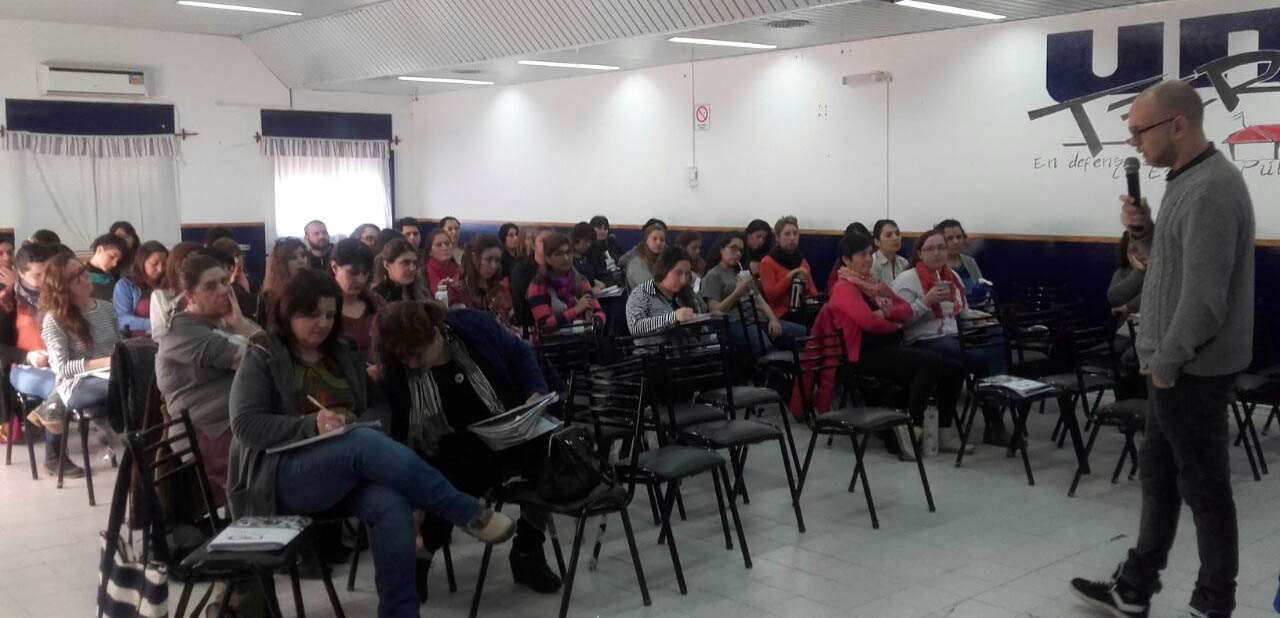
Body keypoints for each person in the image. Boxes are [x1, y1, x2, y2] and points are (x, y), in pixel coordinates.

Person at [227, 270, 515, 618]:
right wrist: (311, 424)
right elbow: (245, 425)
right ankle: (464, 510)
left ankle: (400, 612)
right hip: (282, 476)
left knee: (389, 502)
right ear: (288, 313)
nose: (322, 323)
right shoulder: (263, 355)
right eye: (311, 314)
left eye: (330, 315)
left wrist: (359, 423)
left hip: (346, 470)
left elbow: (379, 405)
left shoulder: (342, 352)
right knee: (360, 442)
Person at [1069, 79, 1255, 618]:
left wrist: (1168, 364)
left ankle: (1212, 603)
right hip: (1170, 368)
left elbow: (1204, 300)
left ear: (1179, 124)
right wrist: (1145, 232)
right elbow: (1169, 270)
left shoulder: (1213, 189)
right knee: (1160, 480)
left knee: (1206, 491)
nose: (1133, 143)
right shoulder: (1184, 181)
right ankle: (1135, 585)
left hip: (1191, 371)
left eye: (1138, 131)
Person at [372, 300, 561, 594]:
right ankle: (422, 552)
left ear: (436, 334)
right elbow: (398, 437)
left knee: (548, 445)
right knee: (460, 463)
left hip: (507, 426)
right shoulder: (398, 373)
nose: (411, 364)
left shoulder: (471, 326)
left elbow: (519, 352)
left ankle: (528, 550)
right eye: (404, 358)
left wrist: (535, 392)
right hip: (447, 452)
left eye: (416, 354)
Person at [823, 232, 970, 455]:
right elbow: (869, 323)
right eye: (861, 255)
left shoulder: (871, 284)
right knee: (928, 364)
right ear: (846, 260)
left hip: (886, 347)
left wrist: (887, 313)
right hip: (861, 355)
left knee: (955, 368)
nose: (868, 259)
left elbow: (903, 308)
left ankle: (944, 431)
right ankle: (914, 428)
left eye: (869, 253)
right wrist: (893, 323)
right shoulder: (843, 288)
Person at [155, 253, 263, 498]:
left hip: (239, 421)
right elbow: (262, 359)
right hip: (207, 431)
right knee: (272, 472)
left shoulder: (221, 322)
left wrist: (239, 322)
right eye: (211, 286)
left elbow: (271, 351)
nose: (224, 290)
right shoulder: (181, 332)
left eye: (225, 281)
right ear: (190, 296)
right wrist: (242, 326)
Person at [892, 230, 1008, 446]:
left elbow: (962, 313)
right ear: (919, 253)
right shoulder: (906, 280)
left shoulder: (951, 277)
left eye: (941, 248)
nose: (937, 253)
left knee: (996, 334)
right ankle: (995, 420)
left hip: (954, 334)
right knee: (974, 359)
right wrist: (926, 302)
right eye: (930, 249)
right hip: (923, 339)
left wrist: (981, 317)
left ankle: (1000, 388)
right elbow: (900, 321)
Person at [33, 253, 121, 476]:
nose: (84, 278)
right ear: (62, 289)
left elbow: (118, 344)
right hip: (76, 385)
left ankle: (128, 436)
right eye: (75, 278)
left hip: (110, 373)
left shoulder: (105, 307)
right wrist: (104, 363)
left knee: (141, 378)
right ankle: (125, 437)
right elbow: (61, 368)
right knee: (123, 384)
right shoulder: (55, 319)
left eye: (82, 271)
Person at [1, 243, 65, 472]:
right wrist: (27, 356)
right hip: (24, 369)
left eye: (47, 273)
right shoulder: (7, 301)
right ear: (20, 273)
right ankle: (54, 456)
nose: (44, 280)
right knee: (60, 386)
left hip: (61, 363)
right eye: (38, 275)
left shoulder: (59, 297)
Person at [700, 232, 804, 357]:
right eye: (733, 248)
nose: (738, 253)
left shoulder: (742, 273)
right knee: (767, 349)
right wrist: (738, 292)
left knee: (802, 334)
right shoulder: (713, 275)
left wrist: (773, 319)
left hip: (759, 318)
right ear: (722, 249)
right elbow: (715, 310)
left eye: (740, 250)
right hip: (736, 322)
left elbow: (759, 299)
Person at [625, 246, 708, 340]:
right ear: (664, 269)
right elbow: (635, 327)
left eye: (687, 274)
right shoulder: (642, 293)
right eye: (678, 273)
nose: (683, 280)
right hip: (653, 352)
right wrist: (673, 317)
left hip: (691, 350)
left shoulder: (687, 292)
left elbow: (704, 317)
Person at [527, 233, 602, 336]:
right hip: (554, 342)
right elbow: (544, 325)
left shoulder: (580, 279)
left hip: (584, 336)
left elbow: (598, 310)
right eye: (559, 254)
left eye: (568, 252)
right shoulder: (538, 285)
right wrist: (576, 310)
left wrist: (597, 321)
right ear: (548, 258)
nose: (566, 258)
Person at [447, 234, 515, 333]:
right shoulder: (457, 291)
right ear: (474, 257)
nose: (493, 266)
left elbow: (511, 323)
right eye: (489, 260)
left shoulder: (501, 290)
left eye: (497, 261)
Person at [330, 238, 384, 358]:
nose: (361, 280)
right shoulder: (323, 306)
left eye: (365, 273)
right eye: (352, 272)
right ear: (334, 267)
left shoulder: (376, 301)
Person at [759, 216, 818, 325]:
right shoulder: (767, 262)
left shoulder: (802, 260)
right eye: (787, 234)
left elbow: (813, 291)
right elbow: (771, 296)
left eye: (795, 234)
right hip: (780, 315)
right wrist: (789, 278)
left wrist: (807, 287)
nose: (792, 238)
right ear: (777, 237)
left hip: (802, 309)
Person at [112, 241, 168, 336]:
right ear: (142, 263)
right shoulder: (125, 285)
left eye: (164, 264)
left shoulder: (170, 284)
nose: (160, 269)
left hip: (168, 339)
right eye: (155, 264)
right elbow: (122, 319)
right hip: (138, 342)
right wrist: (156, 324)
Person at [149, 242, 202, 342]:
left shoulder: (206, 290)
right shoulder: (160, 295)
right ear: (178, 267)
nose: (200, 268)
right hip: (177, 349)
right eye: (194, 263)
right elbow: (159, 335)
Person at [255, 237, 307, 325]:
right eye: (293, 257)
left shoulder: (314, 290)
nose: (301, 261)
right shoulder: (267, 297)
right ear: (281, 263)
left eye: (303, 255)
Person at [936, 219, 988, 304]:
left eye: (959, 237)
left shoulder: (970, 262)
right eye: (950, 238)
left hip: (977, 310)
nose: (956, 242)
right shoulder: (935, 265)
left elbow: (983, 288)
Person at [209, 237, 259, 322]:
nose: (238, 261)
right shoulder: (217, 288)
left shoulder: (253, 282)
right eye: (233, 257)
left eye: (239, 255)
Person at [509, 227, 549, 331]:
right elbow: (522, 301)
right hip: (532, 325)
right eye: (543, 241)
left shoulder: (555, 266)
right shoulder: (520, 267)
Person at [372, 239, 431, 303]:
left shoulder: (420, 290)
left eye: (414, 263)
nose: (412, 268)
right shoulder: (378, 296)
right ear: (387, 265)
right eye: (405, 262)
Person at [624, 223, 666, 289]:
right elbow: (651, 288)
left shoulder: (663, 257)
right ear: (646, 240)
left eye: (662, 240)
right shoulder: (637, 262)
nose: (658, 243)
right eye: (654, 239)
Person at [85, 234, 127, 300]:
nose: (115, 263)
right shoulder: (82, 277)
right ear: (99, 250)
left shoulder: (115, 277)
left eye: (118, 260)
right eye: (112, 257)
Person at [870, 219, 909, 287]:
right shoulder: (871, 263)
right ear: (877, 241)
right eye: (888, 235)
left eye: (897, 234)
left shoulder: (904, 262)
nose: (895, 238)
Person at [587, 216, 624, 287]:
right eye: (599, 228)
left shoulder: (612, 243)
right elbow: (596, 273)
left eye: (605, 228)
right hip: (604, 284)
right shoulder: (589, 249)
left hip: (620, 280)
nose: (603, 231)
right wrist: (611, 275)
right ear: (592, 229)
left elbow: (622, 259)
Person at [422, 228, 460, 292]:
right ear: (430, 252)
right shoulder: (423, 273)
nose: (445, 248)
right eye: (439, 245)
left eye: (447, 244)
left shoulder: (459, 268)